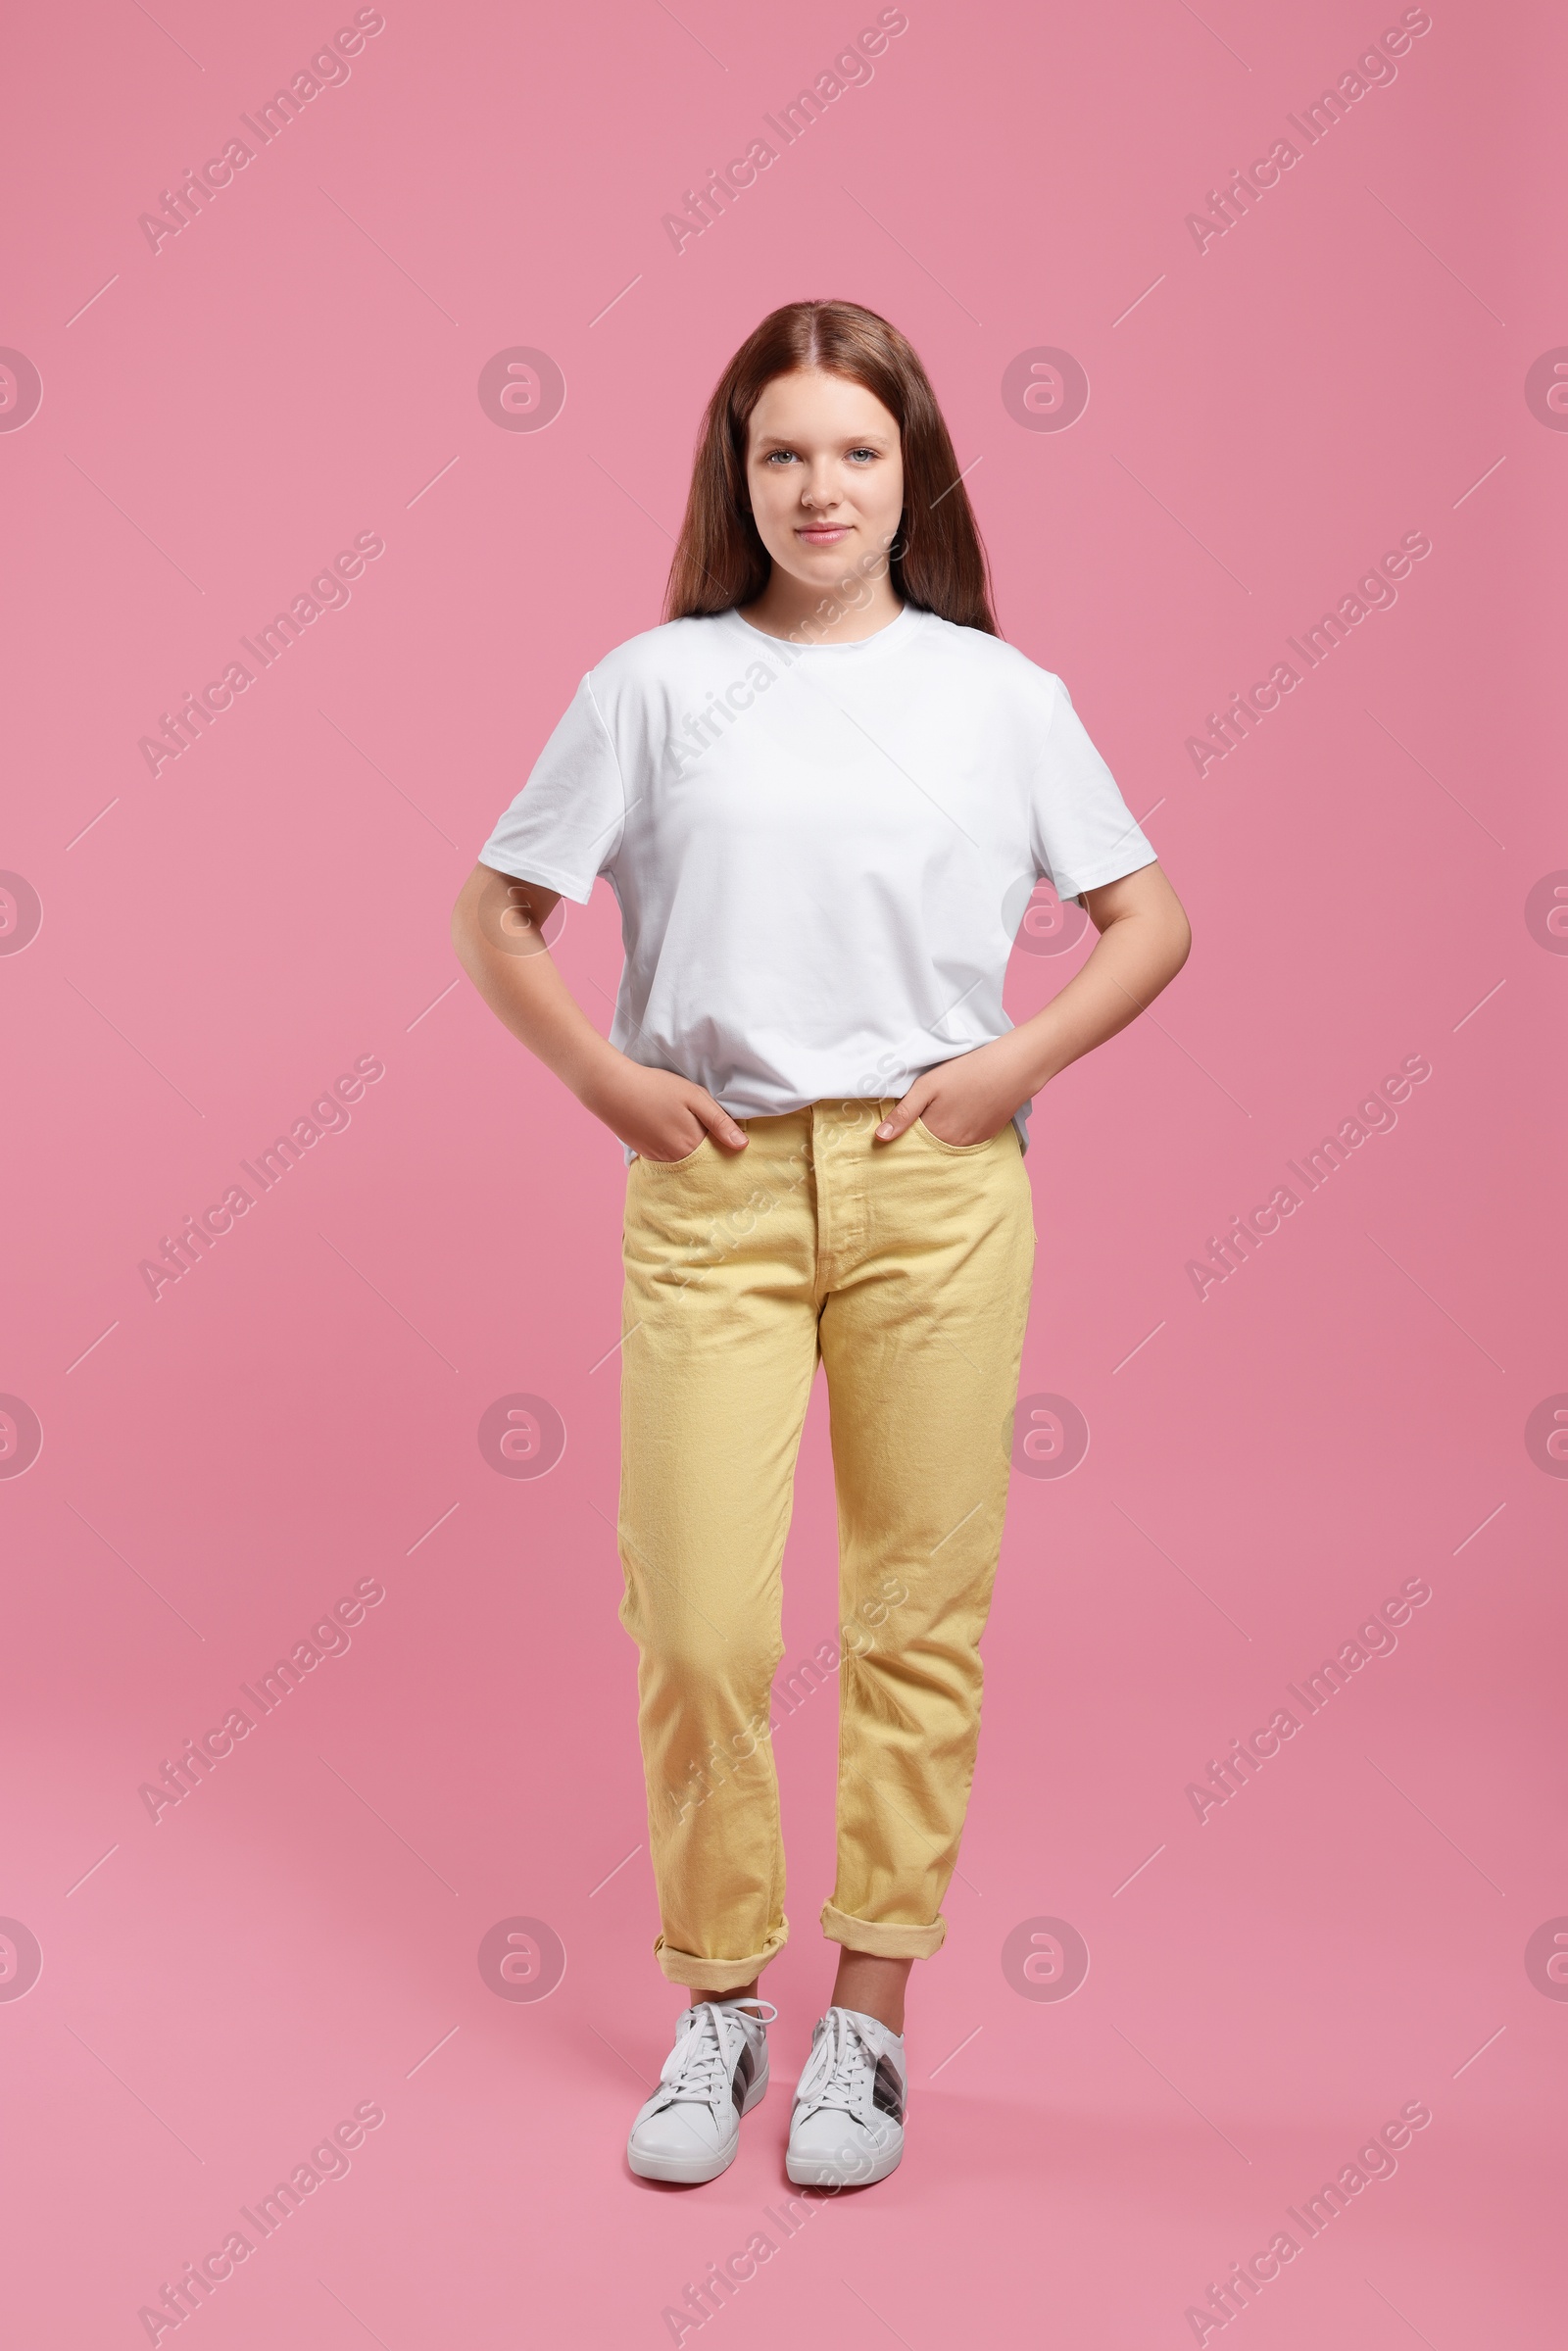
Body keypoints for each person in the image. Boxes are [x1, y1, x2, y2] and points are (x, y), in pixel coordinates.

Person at [452, 299, 1191, 2190]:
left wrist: (997, 1076)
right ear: (739, 474)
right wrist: (609, 1088)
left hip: (935, 1189)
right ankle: (721, 2001)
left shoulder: (1000, 696)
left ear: (912, 469)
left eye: (855, 450)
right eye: (783, 451)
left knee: (911, 1619)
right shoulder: (652, 681)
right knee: (697, 1623)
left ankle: (868, 2020)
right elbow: (497, 915)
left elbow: (1149, 922)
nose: (819, 486)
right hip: (709, 1190)